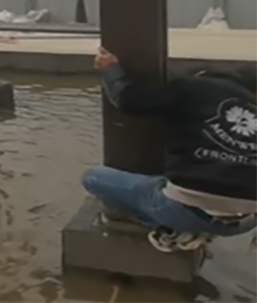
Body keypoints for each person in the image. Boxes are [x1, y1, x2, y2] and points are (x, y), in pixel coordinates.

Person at [82, 47, 257, 253]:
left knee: (93, 177)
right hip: (244, 223)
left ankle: (172, 230)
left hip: (181, 209)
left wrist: (111, 70)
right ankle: (195, 228)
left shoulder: (191, 86)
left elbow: (130, 101)